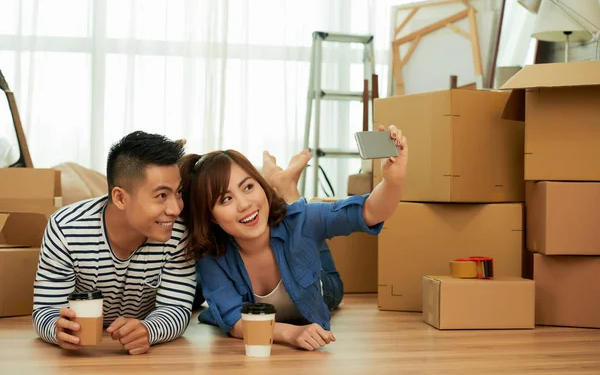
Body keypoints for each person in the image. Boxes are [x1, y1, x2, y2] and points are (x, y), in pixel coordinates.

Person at [180, 125, 407, 351]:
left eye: (248, 187)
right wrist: (291, 333)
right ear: (211, 217)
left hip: (317, 283)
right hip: (297, 235)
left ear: (261, 186)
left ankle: (286, 188)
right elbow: (234, 321)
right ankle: (286, 187)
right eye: (226, 199)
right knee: (302, 226)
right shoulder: (211, 256)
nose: (244, 204)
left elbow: (367, 212)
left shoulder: (300, 222)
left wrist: (393, 181)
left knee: (311, 240)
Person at [32, 131, 197, 355]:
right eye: (161, 196)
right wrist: (57, 329)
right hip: (85, 354)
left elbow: (176, 309)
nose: (176, 209)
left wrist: (149, 330)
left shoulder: (178, 231)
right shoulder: (66, 229)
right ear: (120, 197)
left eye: (178, 193)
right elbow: (46, 310)